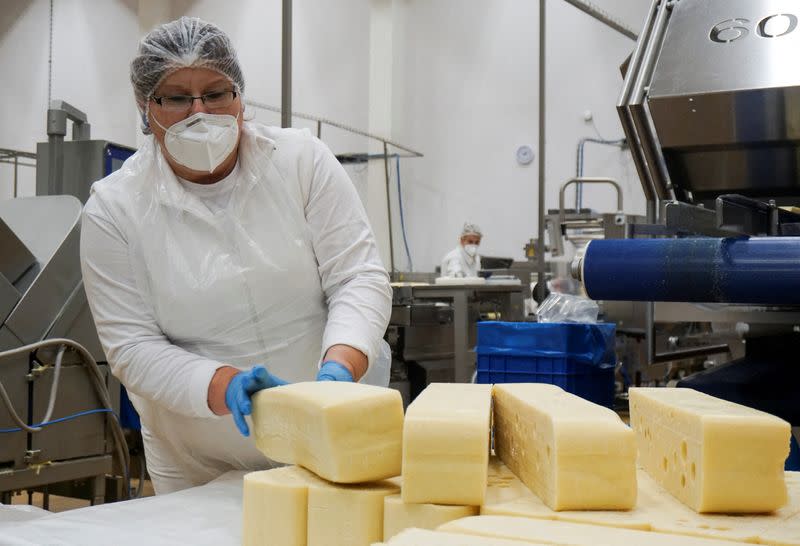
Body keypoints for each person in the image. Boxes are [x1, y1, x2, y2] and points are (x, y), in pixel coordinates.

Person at [79, 17, 392, 494]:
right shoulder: (114, 207)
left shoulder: (300, 161)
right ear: (147, 109)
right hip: (198, 456)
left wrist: (339, 370)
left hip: (330, 429)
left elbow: (357, 277)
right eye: (178, 97)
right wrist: (224, 385)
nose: (199, 111)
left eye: (216, 92)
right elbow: (131, 344)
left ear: (241, 97)